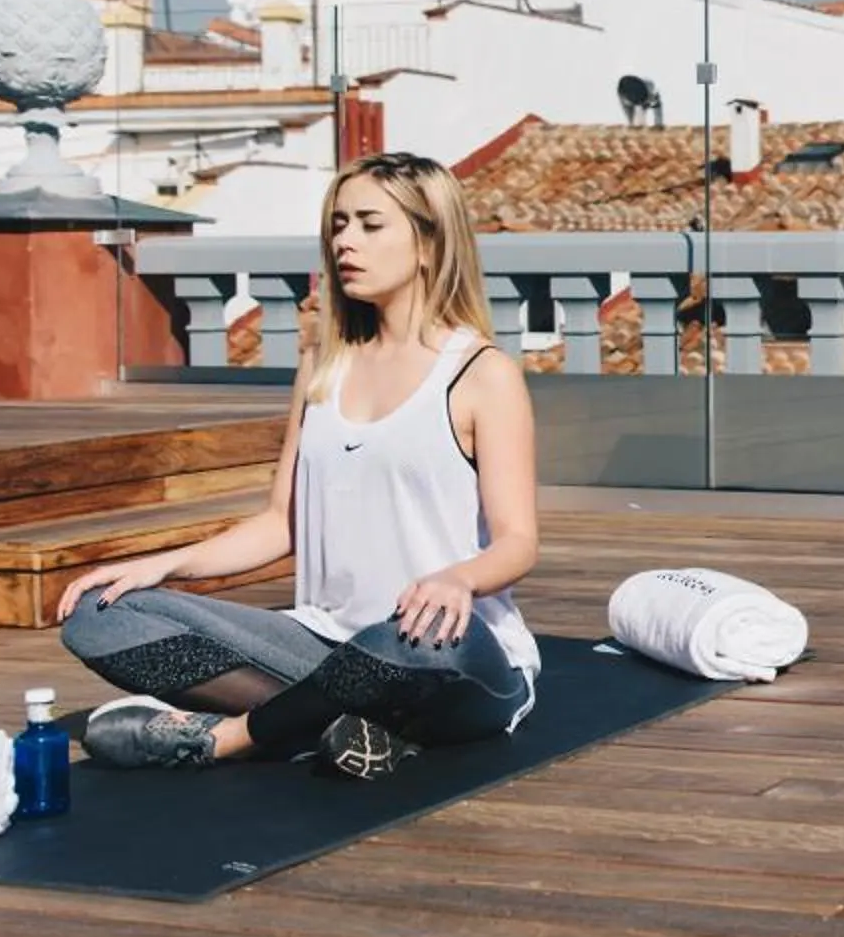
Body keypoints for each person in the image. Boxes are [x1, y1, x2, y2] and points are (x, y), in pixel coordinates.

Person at [56, 151, 541, 778]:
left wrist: (459, 580)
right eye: (339, 224)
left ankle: (235, 738)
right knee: (98, 612)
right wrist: (165, 564)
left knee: (408, 639)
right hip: (321, 642)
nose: (346, 241)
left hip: (445, 653)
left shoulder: (482, 375)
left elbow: (519, 543)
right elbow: (281, 523)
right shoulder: (322, 369)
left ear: (428, 243)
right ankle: (344, 724)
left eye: (370, 224)